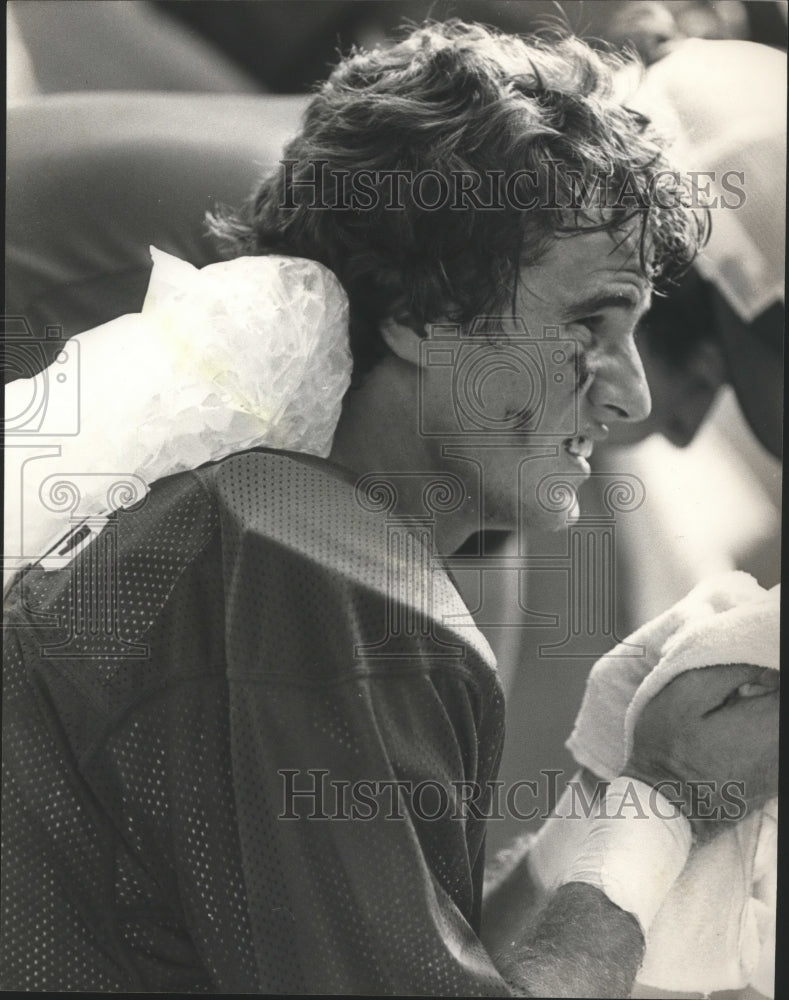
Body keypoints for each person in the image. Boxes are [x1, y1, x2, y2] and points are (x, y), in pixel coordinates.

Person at [2, 21, 777, 996]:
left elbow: (444, 952)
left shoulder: (280, 529)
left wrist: (611, 786)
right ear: (420, 309)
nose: (632, 397)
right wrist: (673, 797)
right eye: (588, 321)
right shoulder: (307, 578)